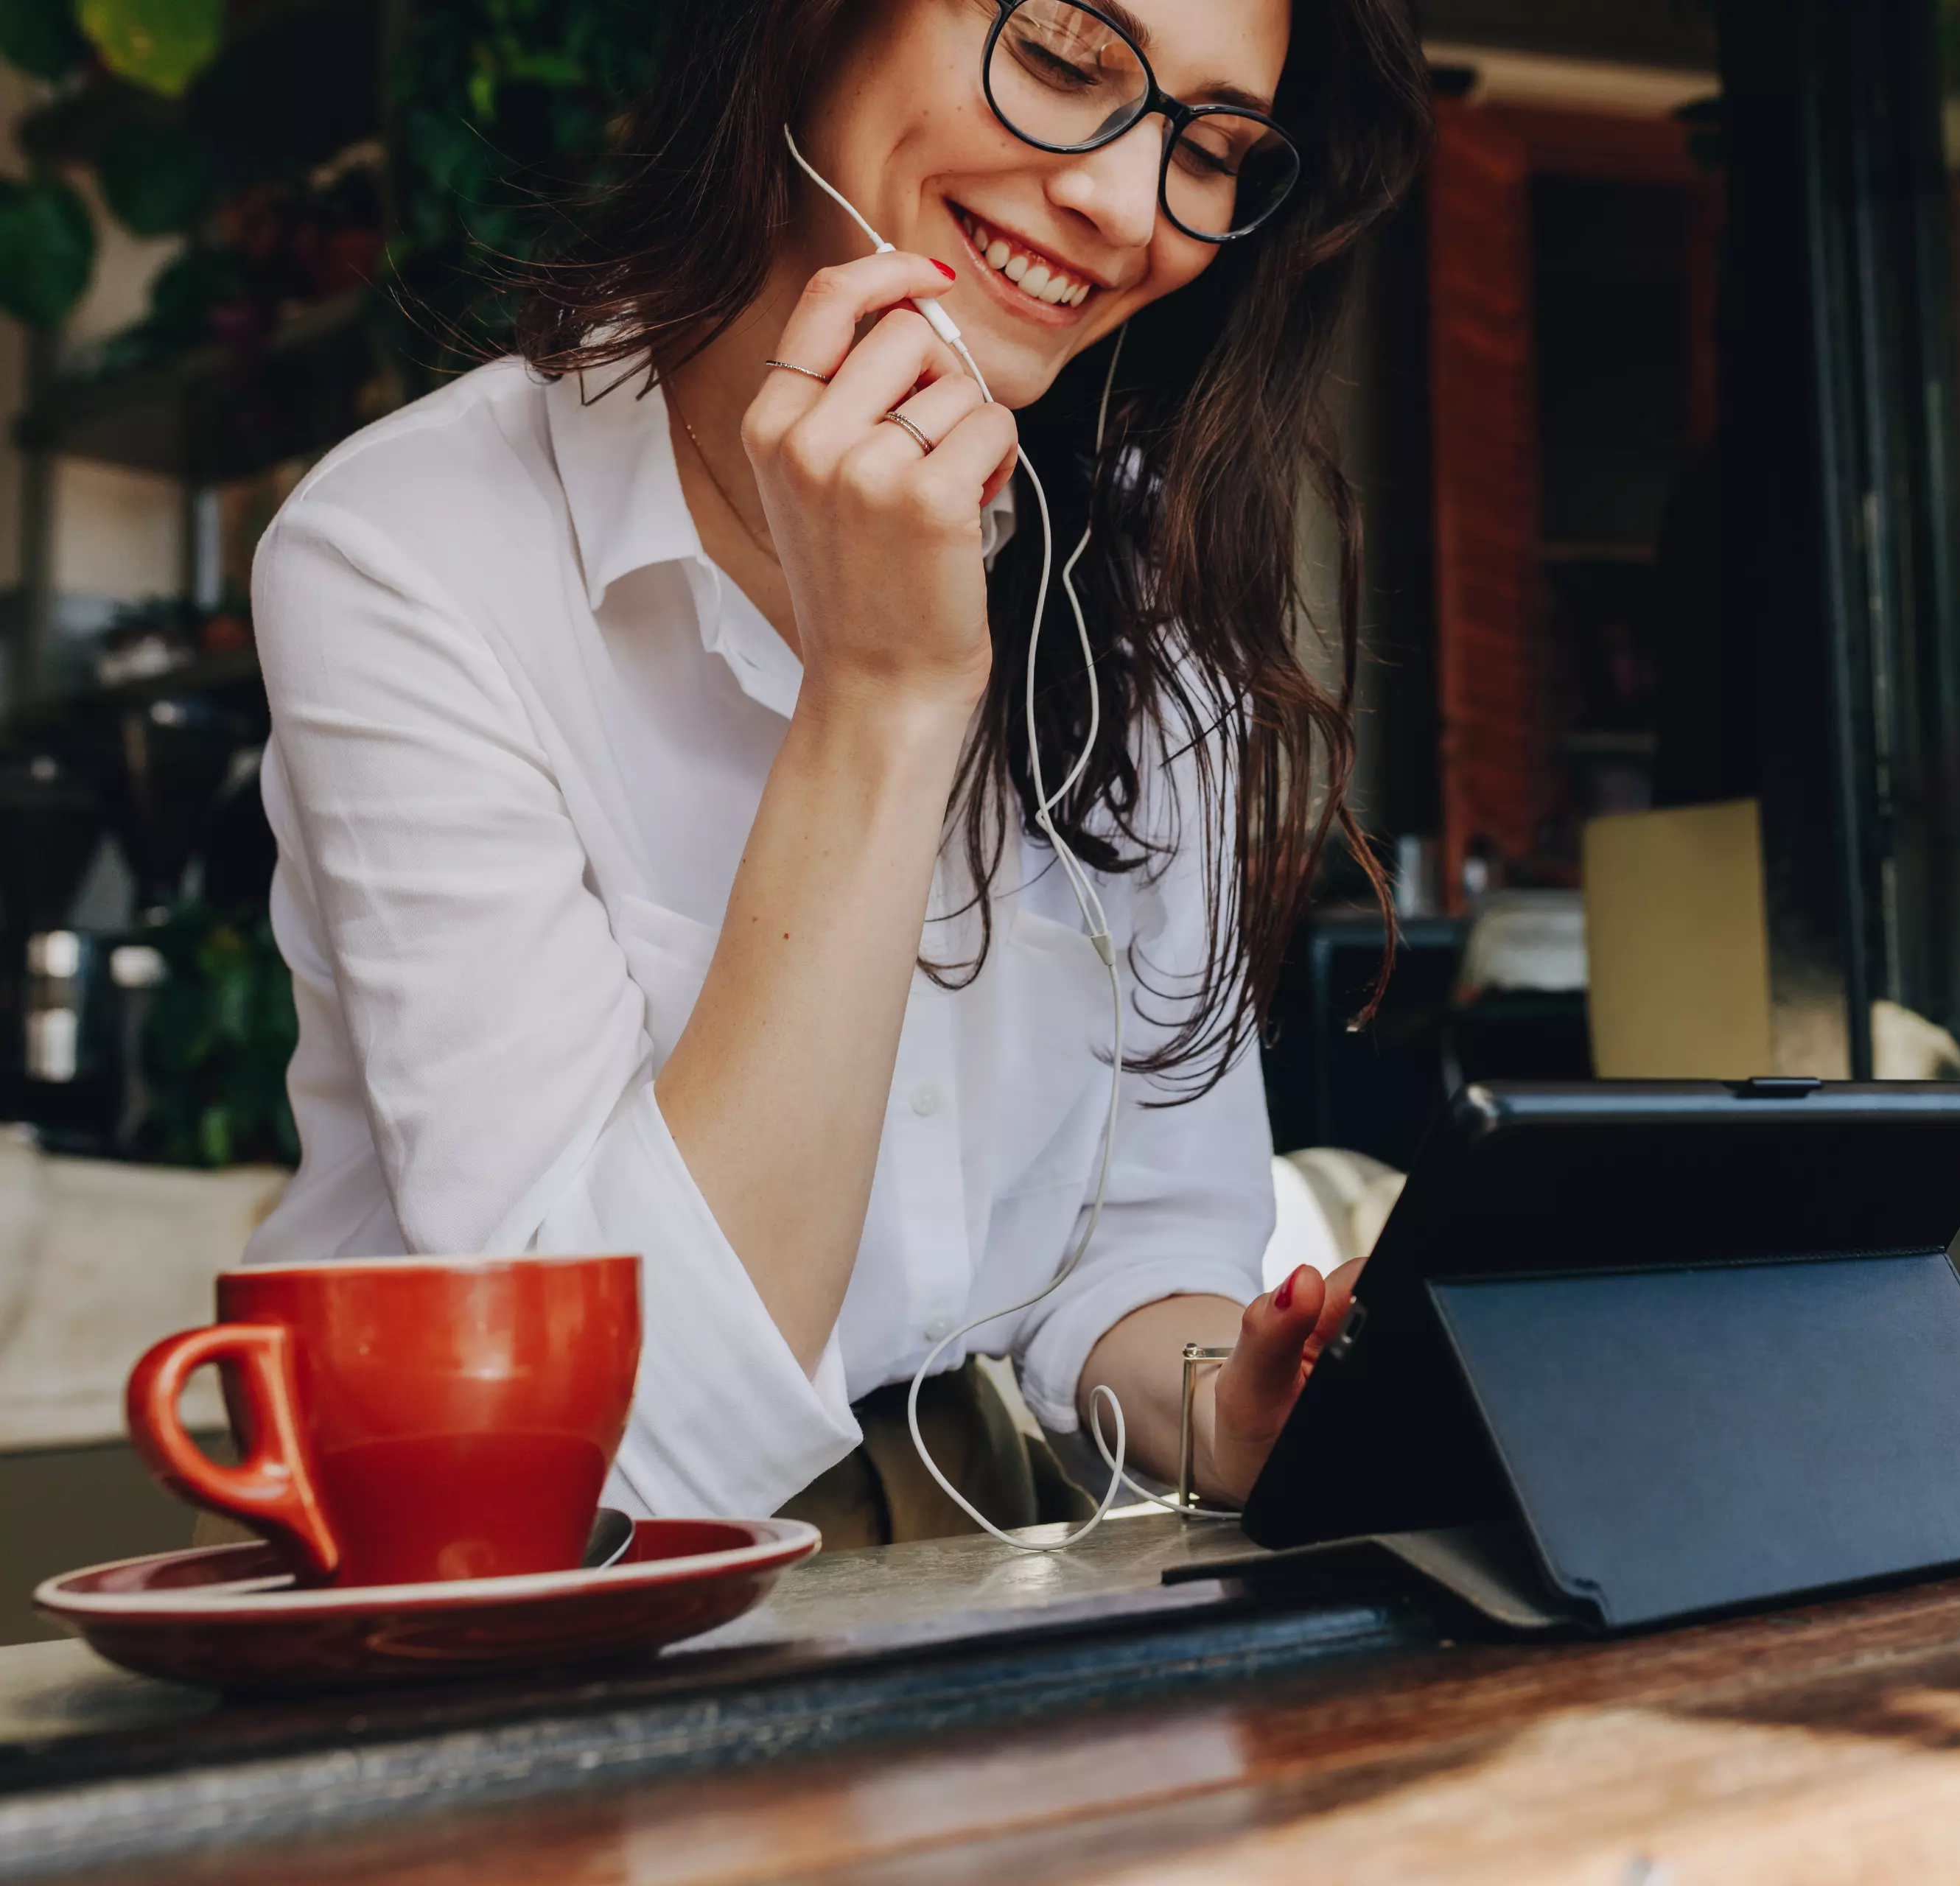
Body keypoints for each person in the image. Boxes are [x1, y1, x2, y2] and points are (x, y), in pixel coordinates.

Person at [240, 0, 1431, 1539]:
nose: (1129, 210)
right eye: (1067, 59)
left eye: (1210, 150)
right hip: (500, 1578)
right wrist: (883, 699)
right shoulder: (415, 552)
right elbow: (622, 1445)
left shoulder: (1133, 583)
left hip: (947, 1551)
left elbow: (1135, 1257)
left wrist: (1238, 1400)